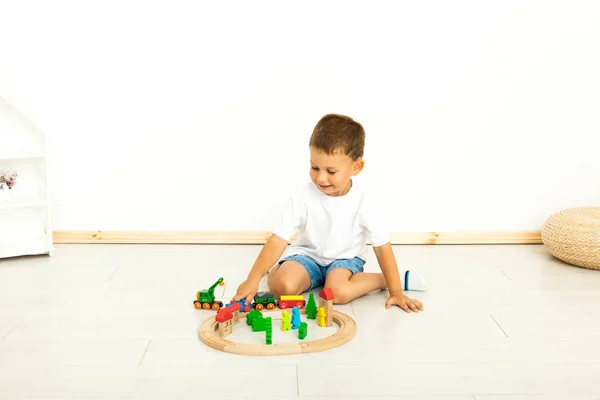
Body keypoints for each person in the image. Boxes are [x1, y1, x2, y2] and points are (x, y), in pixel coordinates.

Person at [232, 114, 426, 312]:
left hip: (345, 260)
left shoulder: (364, 202)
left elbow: (382, 247)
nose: (321, 178)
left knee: (338, 293)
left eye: (331, 171)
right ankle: (280, 271)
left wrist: (395, 292)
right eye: (314, 167)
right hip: (307, 257)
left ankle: (383, 279)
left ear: (356, 167)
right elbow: (278, 239)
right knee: (284, 287)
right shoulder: (303, 195)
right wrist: (252, 280)